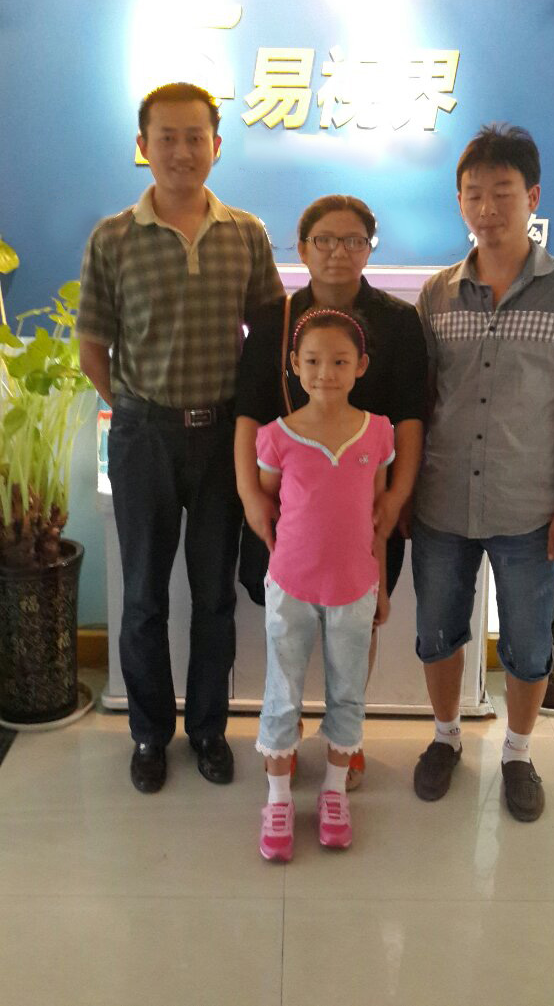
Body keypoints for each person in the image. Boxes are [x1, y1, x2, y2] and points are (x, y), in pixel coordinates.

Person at [76, 82, 284, 793]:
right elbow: (93, 348)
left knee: (214, 594)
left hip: (224, 438)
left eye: (196, 136)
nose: (182, 150)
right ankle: (148, 733)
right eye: (166, 137)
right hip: (144, 438)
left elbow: (269, 338)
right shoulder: (112, 238)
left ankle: (207, 731)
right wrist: (137, 410)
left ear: (217, 146)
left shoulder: (246, 233)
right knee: (142, 596)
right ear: (143, 147)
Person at [411, 124, 554, 821]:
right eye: (474, 193)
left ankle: (520, 753)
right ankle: (445, 738)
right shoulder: (436, 294)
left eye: (503, 192)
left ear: (532, 196)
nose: (487, 207)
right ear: (459, 202)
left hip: (531, 507)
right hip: (441, 501)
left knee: (528, 643)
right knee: (437, 631)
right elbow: (422, 402)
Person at [234, 195, 427, 789]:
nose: (338, 252)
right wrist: (250, 494)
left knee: (358, 621)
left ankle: (346, 739)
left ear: (370, 248)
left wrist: (396, 496)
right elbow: (248, 413)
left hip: (366, 505)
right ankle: (284, 740)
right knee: (287, 626)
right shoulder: (273, 320)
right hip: (289, 505)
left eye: (353, 240)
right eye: (324, 239)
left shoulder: (398, 322)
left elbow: (412, 416)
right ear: (301, 248)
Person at [254, 309, 394, 861]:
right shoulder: (276, 436)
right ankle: (278, 798)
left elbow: (377, 515)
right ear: (295, 364)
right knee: (282, 689)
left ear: (360, 365)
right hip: (290, 584)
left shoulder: (377, 432)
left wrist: (381, 583)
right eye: (312, 361)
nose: (325, 373)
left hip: (355, 586)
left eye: (339, 361)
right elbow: (269, 502)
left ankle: (334, 793)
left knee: (348, 690)